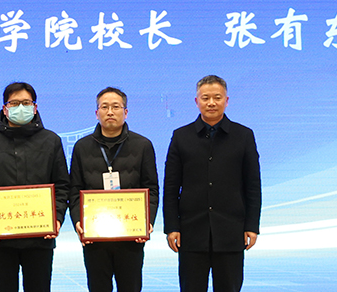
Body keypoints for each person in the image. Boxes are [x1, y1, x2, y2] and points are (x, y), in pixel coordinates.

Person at [0, 82, 70, 292]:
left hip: (40, 238)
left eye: (26, 103)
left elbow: (62, 185)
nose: (20, 108)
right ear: (5, 109)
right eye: (14, 103)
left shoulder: (51, 140)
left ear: (35, 107)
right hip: (0, 239)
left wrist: (57, 218)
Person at [163, 75, 261, 292]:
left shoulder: (243, 136)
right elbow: (171, 187)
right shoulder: (181, 136)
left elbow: (253, 186)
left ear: (227, 100)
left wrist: (251, 226)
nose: (211, 103)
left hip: (231, 230)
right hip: (191, 232)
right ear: (196, 101)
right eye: (205, 98)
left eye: (217, 97)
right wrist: (172, 227)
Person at [69, 87, 160, 292]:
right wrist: (77, 222)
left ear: (125, 112)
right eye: (104, 107)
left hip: (131, 235)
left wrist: (147, 222)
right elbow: (74, 189)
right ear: (96, 113)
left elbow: (151, 189)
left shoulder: (143, 145)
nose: (110, 112)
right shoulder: (82, 147)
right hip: (94, 236)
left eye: (116, 107)